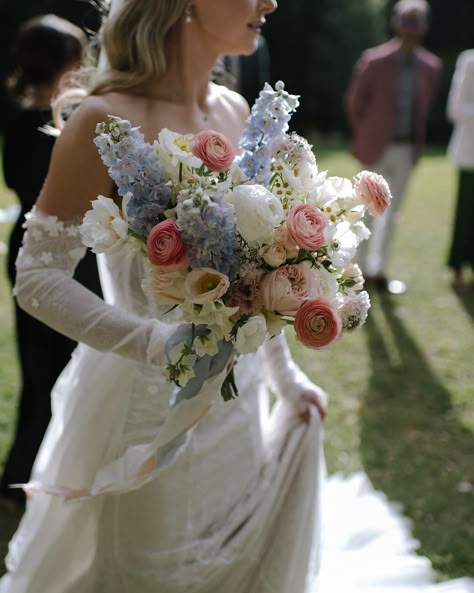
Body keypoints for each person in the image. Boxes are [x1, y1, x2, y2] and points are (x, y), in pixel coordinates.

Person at [1, 2, 474, 592]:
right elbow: (38, 277)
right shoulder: (103, 119)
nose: (269, 3)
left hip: (240, 402)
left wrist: (285, 378)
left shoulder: (236, 111)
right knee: (153, 568)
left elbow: (255, 276)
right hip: (144, 407)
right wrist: (154, 343)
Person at [0, 14, 103, 506]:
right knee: (67, 375)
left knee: (38, 373)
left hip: (24, 253)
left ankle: (20, 473)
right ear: (66, 66)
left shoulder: (18, 117)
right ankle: (46, 476)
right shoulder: (66, 125)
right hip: (68, 258)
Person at [344, 0, 442, 294]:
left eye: (417, 22)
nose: (411, 29)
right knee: (366, 211)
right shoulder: (374, 60)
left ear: (424, 27)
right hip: (376, 147)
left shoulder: (431, 66)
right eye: (406, 21)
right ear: (397, 23)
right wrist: (367, 134)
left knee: (392, 212)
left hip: (407, 147)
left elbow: (424, 107)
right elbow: (354, 102)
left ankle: (380, 271)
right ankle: (357, 274)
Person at [446, 48, 474, 291]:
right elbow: (454, 108)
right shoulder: (469, 60)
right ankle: (457, 267)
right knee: (466, 215)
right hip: (469, 156)